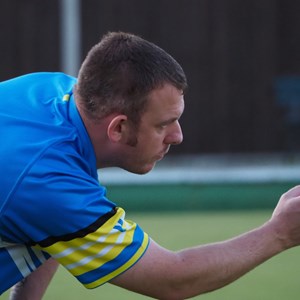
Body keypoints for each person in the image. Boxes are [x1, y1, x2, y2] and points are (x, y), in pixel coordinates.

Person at [1, 32, 300, 300]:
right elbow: (172, 279)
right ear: (118, 128)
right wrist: (278, 233)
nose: (178, 136)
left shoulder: (51, 92)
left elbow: (50, 224)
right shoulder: (48, 181)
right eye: (163, 125)